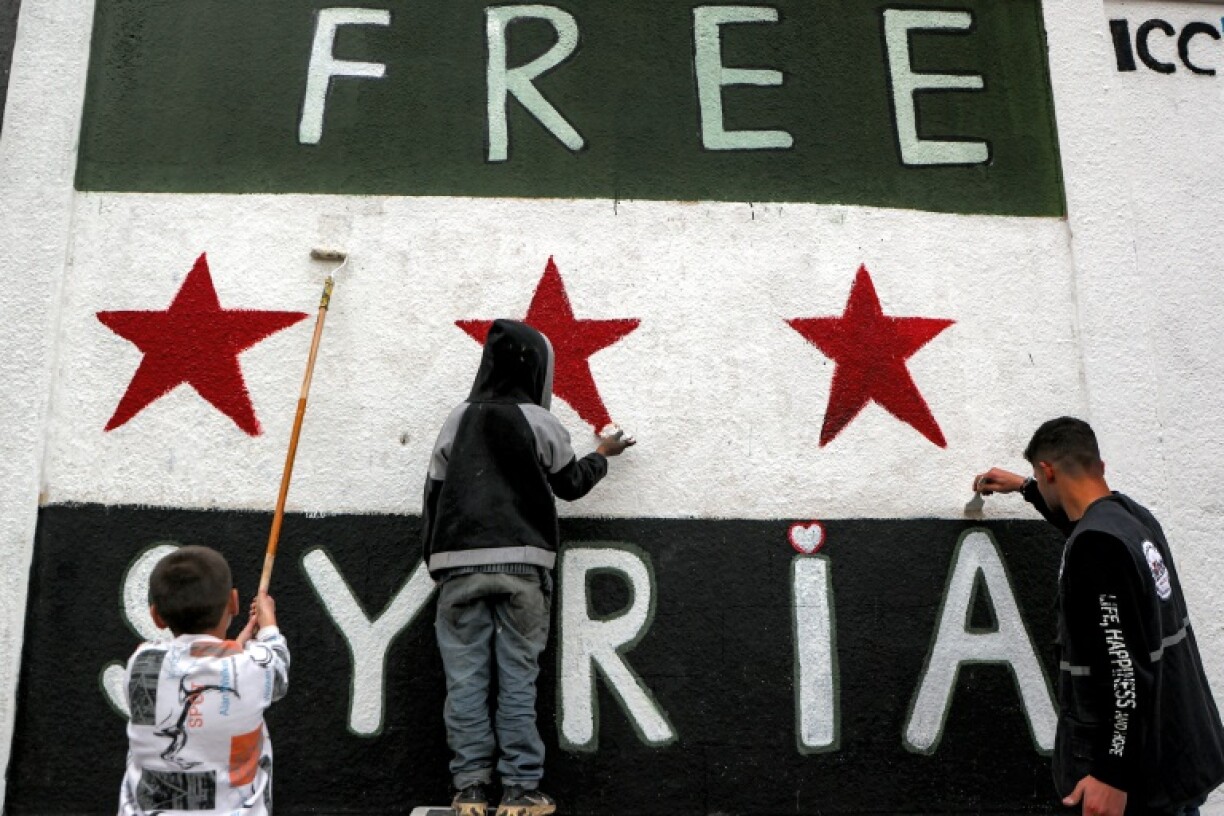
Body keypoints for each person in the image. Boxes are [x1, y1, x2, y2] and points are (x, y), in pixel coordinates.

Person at [422, 319, 634, 816]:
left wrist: (436, 561)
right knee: (518, 680)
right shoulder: (540, 422)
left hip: (458, 569)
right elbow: (571, 484)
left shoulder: (458, 418)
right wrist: (604, 453)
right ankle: (521, 792)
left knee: (465, 682)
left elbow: (432, 493)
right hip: (523, 568)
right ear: (536, 369)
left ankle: (470, 791)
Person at [975, 417, 1224, 816]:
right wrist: (1025, 488)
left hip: (1137, 784)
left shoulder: (1096, 549)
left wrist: (1112, 775)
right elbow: (1085, 529)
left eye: (1038, 479)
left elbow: (1124, 671)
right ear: (1099, 467)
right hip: (1177, 754)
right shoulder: (1133, 519)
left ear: (1048, 471)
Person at [118, 545, 290, 815]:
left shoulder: (141, 663)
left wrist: (239, 643)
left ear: (156, 617)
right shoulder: (253, 669)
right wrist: (268, 625)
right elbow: (276, 669)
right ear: (233, 602)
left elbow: (197, 666)